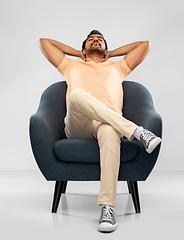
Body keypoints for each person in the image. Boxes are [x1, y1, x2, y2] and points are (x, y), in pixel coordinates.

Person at [39, 30, 161, 233]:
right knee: (77, 95)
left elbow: (145, 45)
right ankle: (138, 132)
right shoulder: (71, 65)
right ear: (84, 48)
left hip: (108, 125)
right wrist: (78, 55)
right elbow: (45, 42)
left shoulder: (118, 67)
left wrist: (111, 54)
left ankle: (108, 208)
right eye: (91, 40)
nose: (96, 41)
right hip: (79, 126)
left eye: (100, 40)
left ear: (105, 48)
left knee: (110, 131)